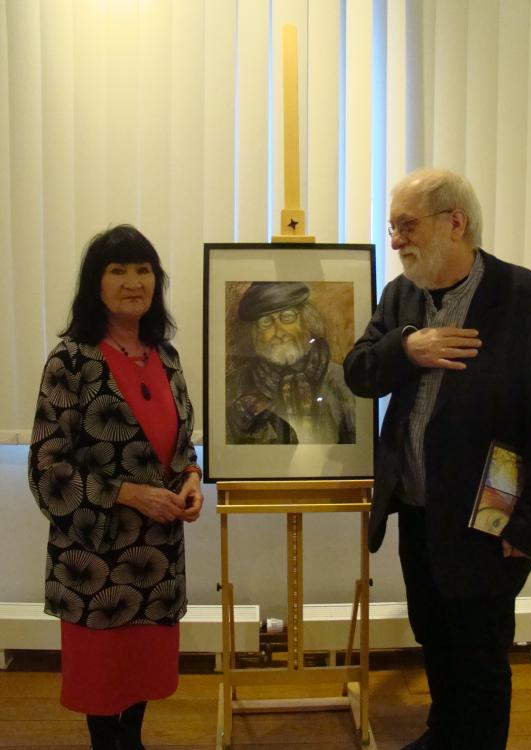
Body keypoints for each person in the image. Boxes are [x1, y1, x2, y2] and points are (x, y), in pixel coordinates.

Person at [343, 169, 531, 750]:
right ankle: (444, 734)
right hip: (417, 509)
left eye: (406, 226)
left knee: (479, 654)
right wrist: (407, 348)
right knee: (434, 636)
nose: (395, 240)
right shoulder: (402, 296)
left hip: (488, 520)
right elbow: (359, 372)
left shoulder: (530, 302)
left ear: (455, 223)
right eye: (392, 227)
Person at [28, 225, 204, 750]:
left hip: (156, 555)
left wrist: (192, 480)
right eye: (118, 270)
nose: (133, 282)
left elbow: (181, 445)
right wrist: (128, 493)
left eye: (143, 270)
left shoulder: (166, 356)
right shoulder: (71, 361)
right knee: (103, 682)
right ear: (95, 283)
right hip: (97, 560)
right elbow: (46, 467)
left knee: (143, 671)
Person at [226, 281, 355, 444]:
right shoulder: (235, 385)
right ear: (255, 332)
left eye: (287, 317)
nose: (279, 333)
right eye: (266, 322)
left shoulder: (341, 380)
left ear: (307, 321)